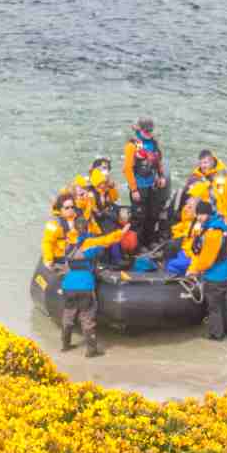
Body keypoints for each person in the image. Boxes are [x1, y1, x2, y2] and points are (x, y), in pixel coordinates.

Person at [41, 201, 131, 357]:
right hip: (85, 285)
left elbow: (50, 245)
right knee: (87, 317)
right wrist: (121, 233)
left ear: (74, 228)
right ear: (87, 228)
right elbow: (107, 240)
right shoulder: (91, 244)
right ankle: (91, 350)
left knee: (68, 315)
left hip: (68, 285)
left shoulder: (67, 244)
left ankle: (65, 345)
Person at [184, 200, 227, 340]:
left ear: (208, 214)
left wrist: (193, 270)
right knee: (222, 304)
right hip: (225, 274)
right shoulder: (219, 227)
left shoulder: (212, 233)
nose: (199, 217)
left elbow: (207, 259)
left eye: (202, 215)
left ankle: (216, 335)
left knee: (214, 308)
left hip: (215, 277)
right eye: (198, 214)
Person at [121, 117, 167, 248]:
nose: (148, 133)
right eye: (145, 130)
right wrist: (134, 189)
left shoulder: (154, 143)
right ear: (139, 129)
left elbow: (158, 162)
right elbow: (127, 169)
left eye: (150, 130)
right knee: (138, 217)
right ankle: (136, 245)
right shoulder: (132, 146)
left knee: (153, 214)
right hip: (139, 187)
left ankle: (150, 241)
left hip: (152, 184)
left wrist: (162, 176)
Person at [189, 149, 227, 228]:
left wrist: (222, 216)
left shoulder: (220, 176)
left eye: (205, 163)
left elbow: (220, 198)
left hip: (216, 207)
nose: (203, 166)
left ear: (212, 161)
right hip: (204, 204)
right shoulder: (199, 173)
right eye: (201, 163)